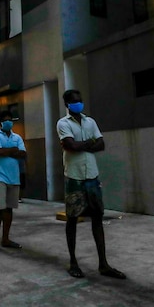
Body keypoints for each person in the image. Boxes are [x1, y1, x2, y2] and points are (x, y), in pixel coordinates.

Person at [57, 89, 125, 280]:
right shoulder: (63, 123)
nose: (78, 103)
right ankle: (73, 262)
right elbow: (70, 145)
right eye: (74, 101)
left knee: (97, 218)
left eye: (80, 100)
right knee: (72, 219)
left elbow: (100, 144)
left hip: (92, 177)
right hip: (74, 177)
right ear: (67, 104)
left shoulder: (90, 121)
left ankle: (103, 264)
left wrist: (80, 144)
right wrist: (88, 143)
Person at [0, 111, 25, 253]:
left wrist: (9, 151)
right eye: (6, 120)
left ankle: (6, 238)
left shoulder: (17, 137)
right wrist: (14, 150)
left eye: (10, 119)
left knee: (9, 208)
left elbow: (23, 154)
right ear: (0, 122)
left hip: (14, 177)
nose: (8, 122)